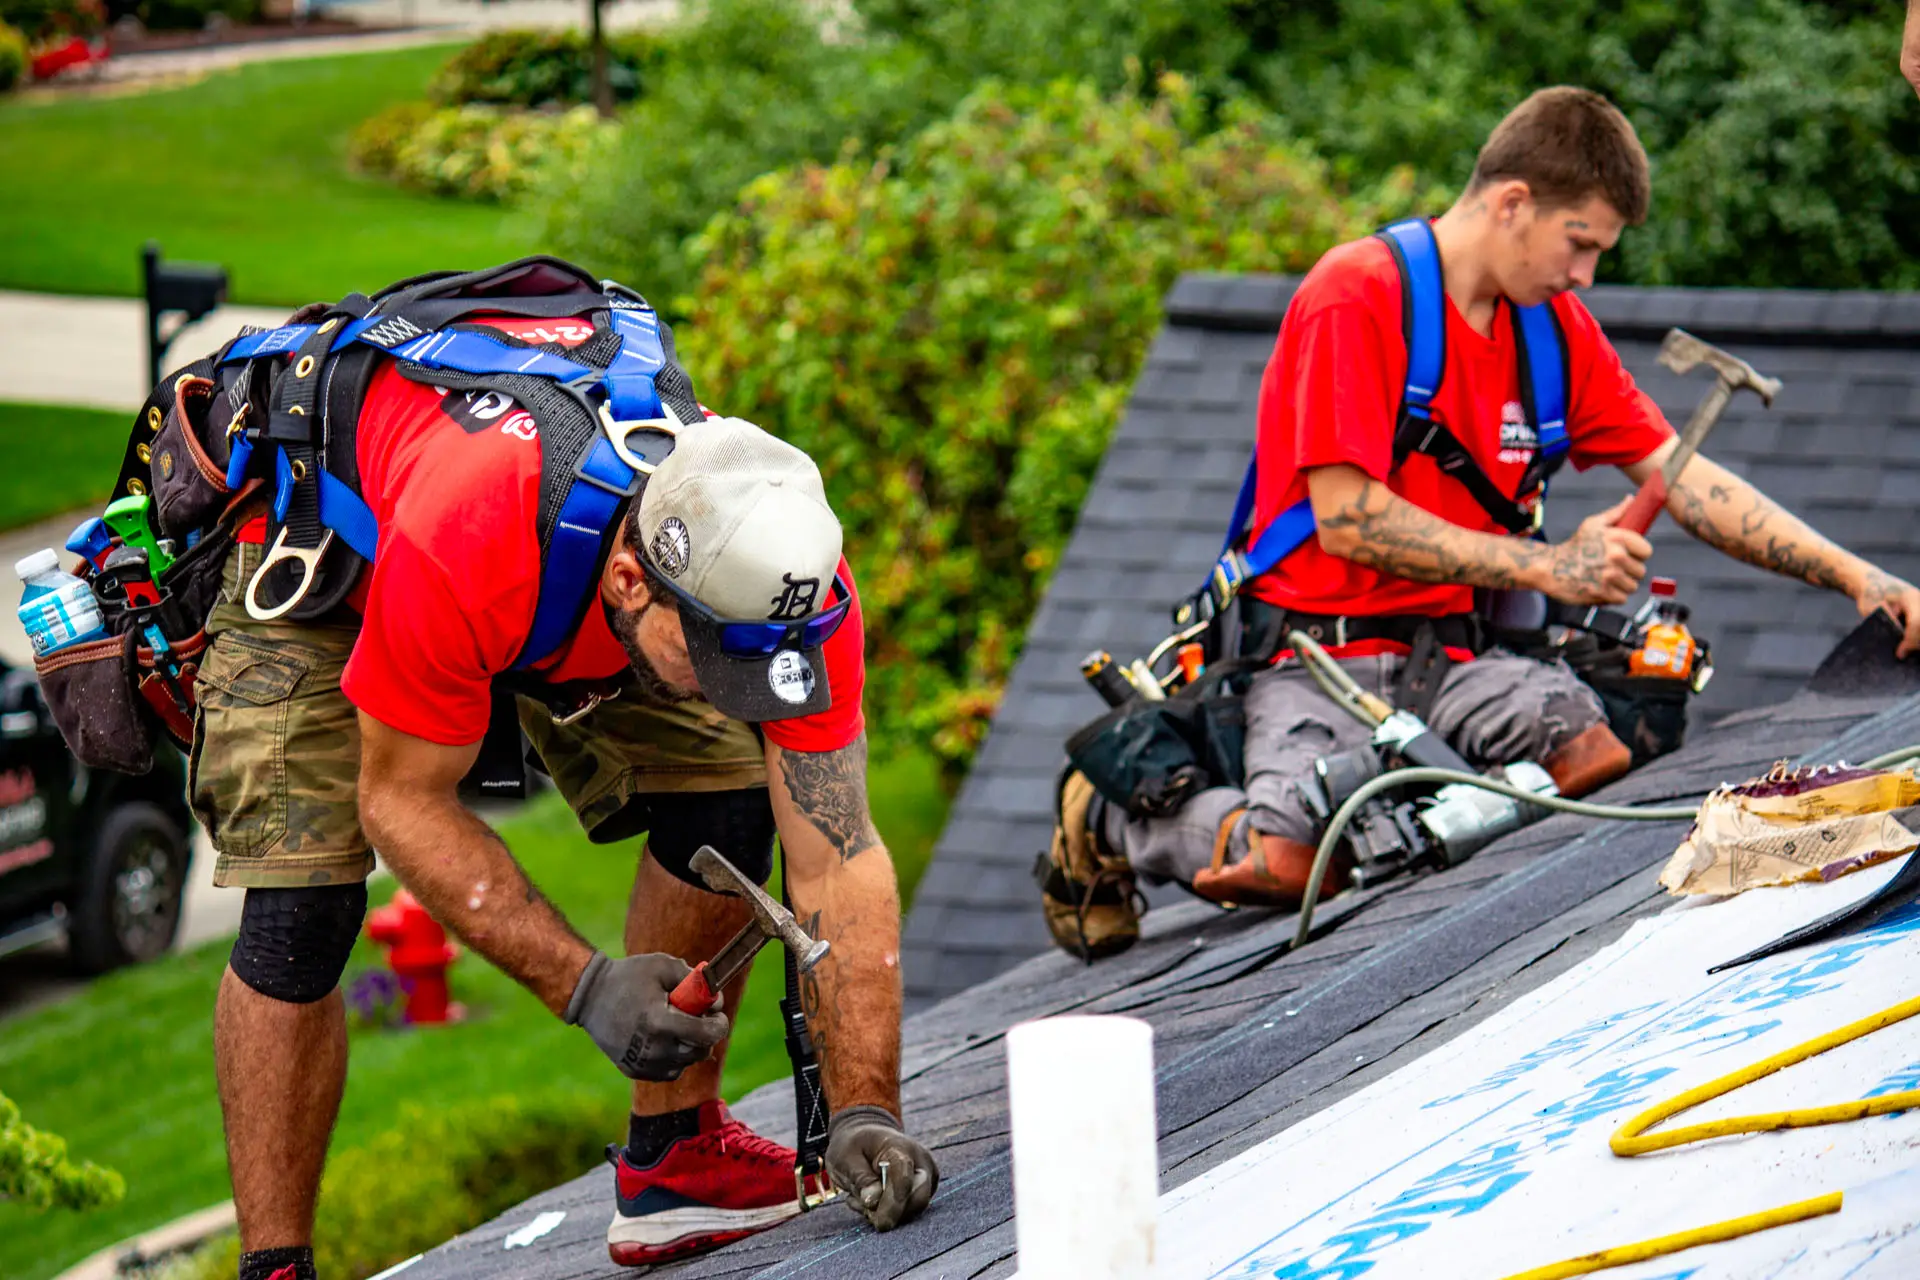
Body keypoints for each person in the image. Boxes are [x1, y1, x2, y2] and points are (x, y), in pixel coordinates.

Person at [196, 303, 937, 1280]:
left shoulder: (787, 581)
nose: (740, 691)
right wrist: (585, 987)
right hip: (334, 549)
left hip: (553, 574)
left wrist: (867, 1108)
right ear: (632, 579)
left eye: (762, 663)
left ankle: (674, 1159)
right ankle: (276, 1267)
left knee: (728, 789)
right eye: (718, 660)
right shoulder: (467, 530)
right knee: (306, 902)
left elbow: (839, 847)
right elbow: (405, 803)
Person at [1091, 86, 1920, 907]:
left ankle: (1424, 800)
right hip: (1317, 662)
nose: (1586, 276)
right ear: (1514, 202)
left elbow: (1686, 477)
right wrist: (1553, 566)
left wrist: (1856, 577)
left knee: (1594, 750)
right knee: (1290, 865)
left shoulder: (1550, 331)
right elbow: (1347, 519)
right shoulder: (1357, 294)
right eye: (1579, 243)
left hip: (1454, 660)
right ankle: (1108, 820)